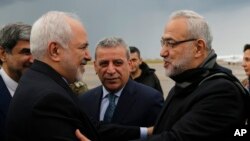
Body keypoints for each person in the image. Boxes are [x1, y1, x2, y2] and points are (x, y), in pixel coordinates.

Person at [77, 10, 249, 141]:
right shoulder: (187, 84)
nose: (162, 52)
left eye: (171, 43)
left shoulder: (221, 92)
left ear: (198, 48)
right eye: (163, 43)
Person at [5, 11, 101, 141]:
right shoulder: (49, 99)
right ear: (55, 51)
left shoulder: (37, 80)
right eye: (82, 48)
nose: (88, 56)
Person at [79, 37, 164, 127]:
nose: (111, 70)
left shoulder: (150, 100)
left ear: (129, 65)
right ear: (95, 66)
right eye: (104, 64)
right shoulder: (84, 101)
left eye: (118, 63)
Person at [0, 23, 33, 140]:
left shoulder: (42, 91)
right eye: (26, 52)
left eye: (36, 52)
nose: (33, 59)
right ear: (3, 54)